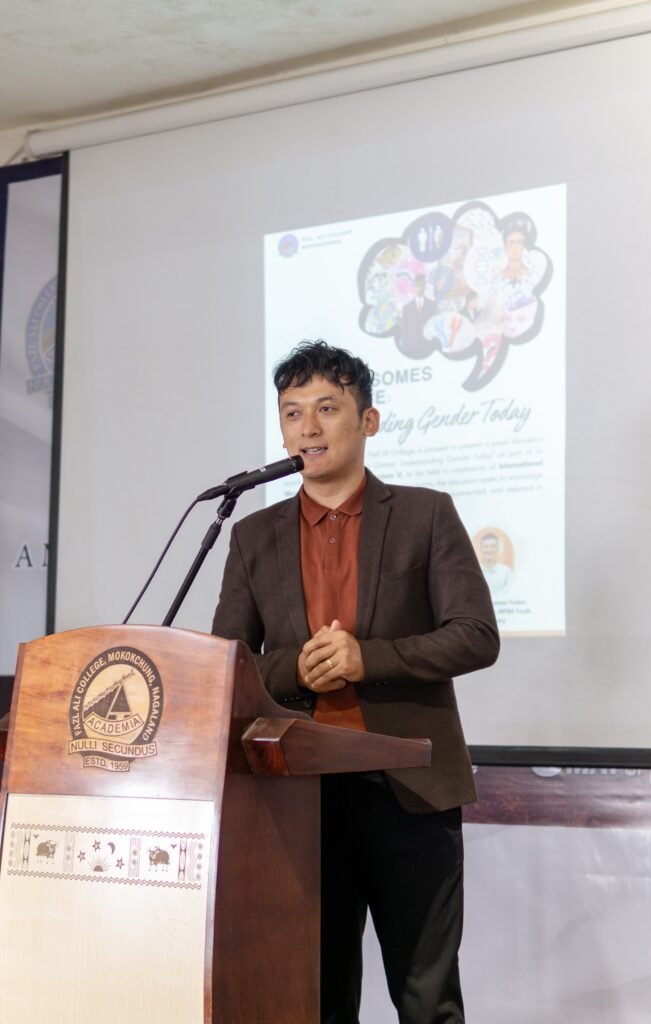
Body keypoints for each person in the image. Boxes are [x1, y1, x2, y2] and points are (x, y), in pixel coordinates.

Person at [212, 340, 500, 1024]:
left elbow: (475, 634)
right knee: (313, 994)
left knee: (426, 997)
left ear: (368, 421)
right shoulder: (253, 535)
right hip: (295, 795)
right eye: (292, 413)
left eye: (327, 409)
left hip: (410, 790)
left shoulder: (426, 514)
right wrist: (294, 668)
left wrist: (368, 659)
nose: (307, 428)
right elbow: (226, 664)